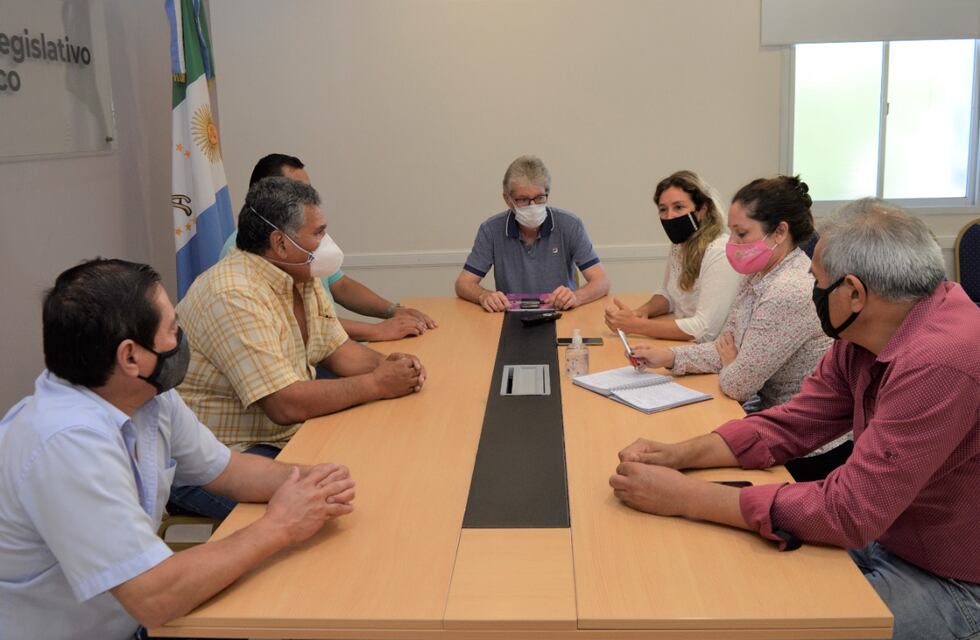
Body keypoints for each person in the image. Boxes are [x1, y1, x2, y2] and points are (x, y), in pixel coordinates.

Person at [609, 198, 980, 640]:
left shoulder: (942, 361)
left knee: (774, 624)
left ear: (856, 293)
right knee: (733, 583)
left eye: (817, 282)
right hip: (889, 536)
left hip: (950, 576)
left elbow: (849, 511)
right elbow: (794, 423)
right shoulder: (867, 329)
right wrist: (677, 455)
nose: (812, 291)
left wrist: (687, 497)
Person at [0, 259, 355, 640]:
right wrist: (280, 525)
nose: (182, 336)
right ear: (131, 357)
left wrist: (316, 483)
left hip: (132, 621)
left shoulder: (146, 395)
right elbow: (154, 597)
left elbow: (228, 470)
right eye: (172, 328)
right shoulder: (66, 443)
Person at [173, 177, 424, 519]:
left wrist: (396, 367)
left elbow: (338, 350)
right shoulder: (232, 293)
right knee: (340, 508)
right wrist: (378, 383)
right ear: (280, 242)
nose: (327, 243)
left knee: (383, 467)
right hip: (218, 463)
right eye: (319, 233)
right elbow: (284, 404)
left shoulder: (300, 276)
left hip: (275, 442)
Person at [627, 176, 832, 411]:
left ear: (779, 232)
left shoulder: (787, 291)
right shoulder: (757, 274)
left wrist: (731, 361)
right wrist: (669, 356)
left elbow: (738, 385)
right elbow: (723, 345)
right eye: (731, 232)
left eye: (742, 234)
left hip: (802, 430)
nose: (732, 243)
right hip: (768, 411)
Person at [221, 153, 437, 341]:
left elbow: (341, 286)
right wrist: (376, 331)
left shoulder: (302, 238)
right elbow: (304, 324)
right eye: (298, 192)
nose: (309, 198)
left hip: (330, 347)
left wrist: (393, 311)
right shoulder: (250, 247)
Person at [455, 154, 610, 311]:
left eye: (539, 198)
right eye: (523, 199)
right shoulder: (491, 230)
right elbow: (463, 284)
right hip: (512, 317)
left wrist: (576, 297)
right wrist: (484, 296)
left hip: (561, 313)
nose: (532, 206)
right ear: (507, 199)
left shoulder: (569, 225)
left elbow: (602, 282)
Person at [605, 170, 742, 342]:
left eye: (678, 207)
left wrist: (635, 325)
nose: (669, 216)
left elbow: (705, 330)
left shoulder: (720, 252)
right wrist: (639, 313)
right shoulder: (680, 245)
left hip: (714, 351)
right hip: (683, 345)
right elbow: (669, 295)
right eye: (663, 209)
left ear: (702, 210)